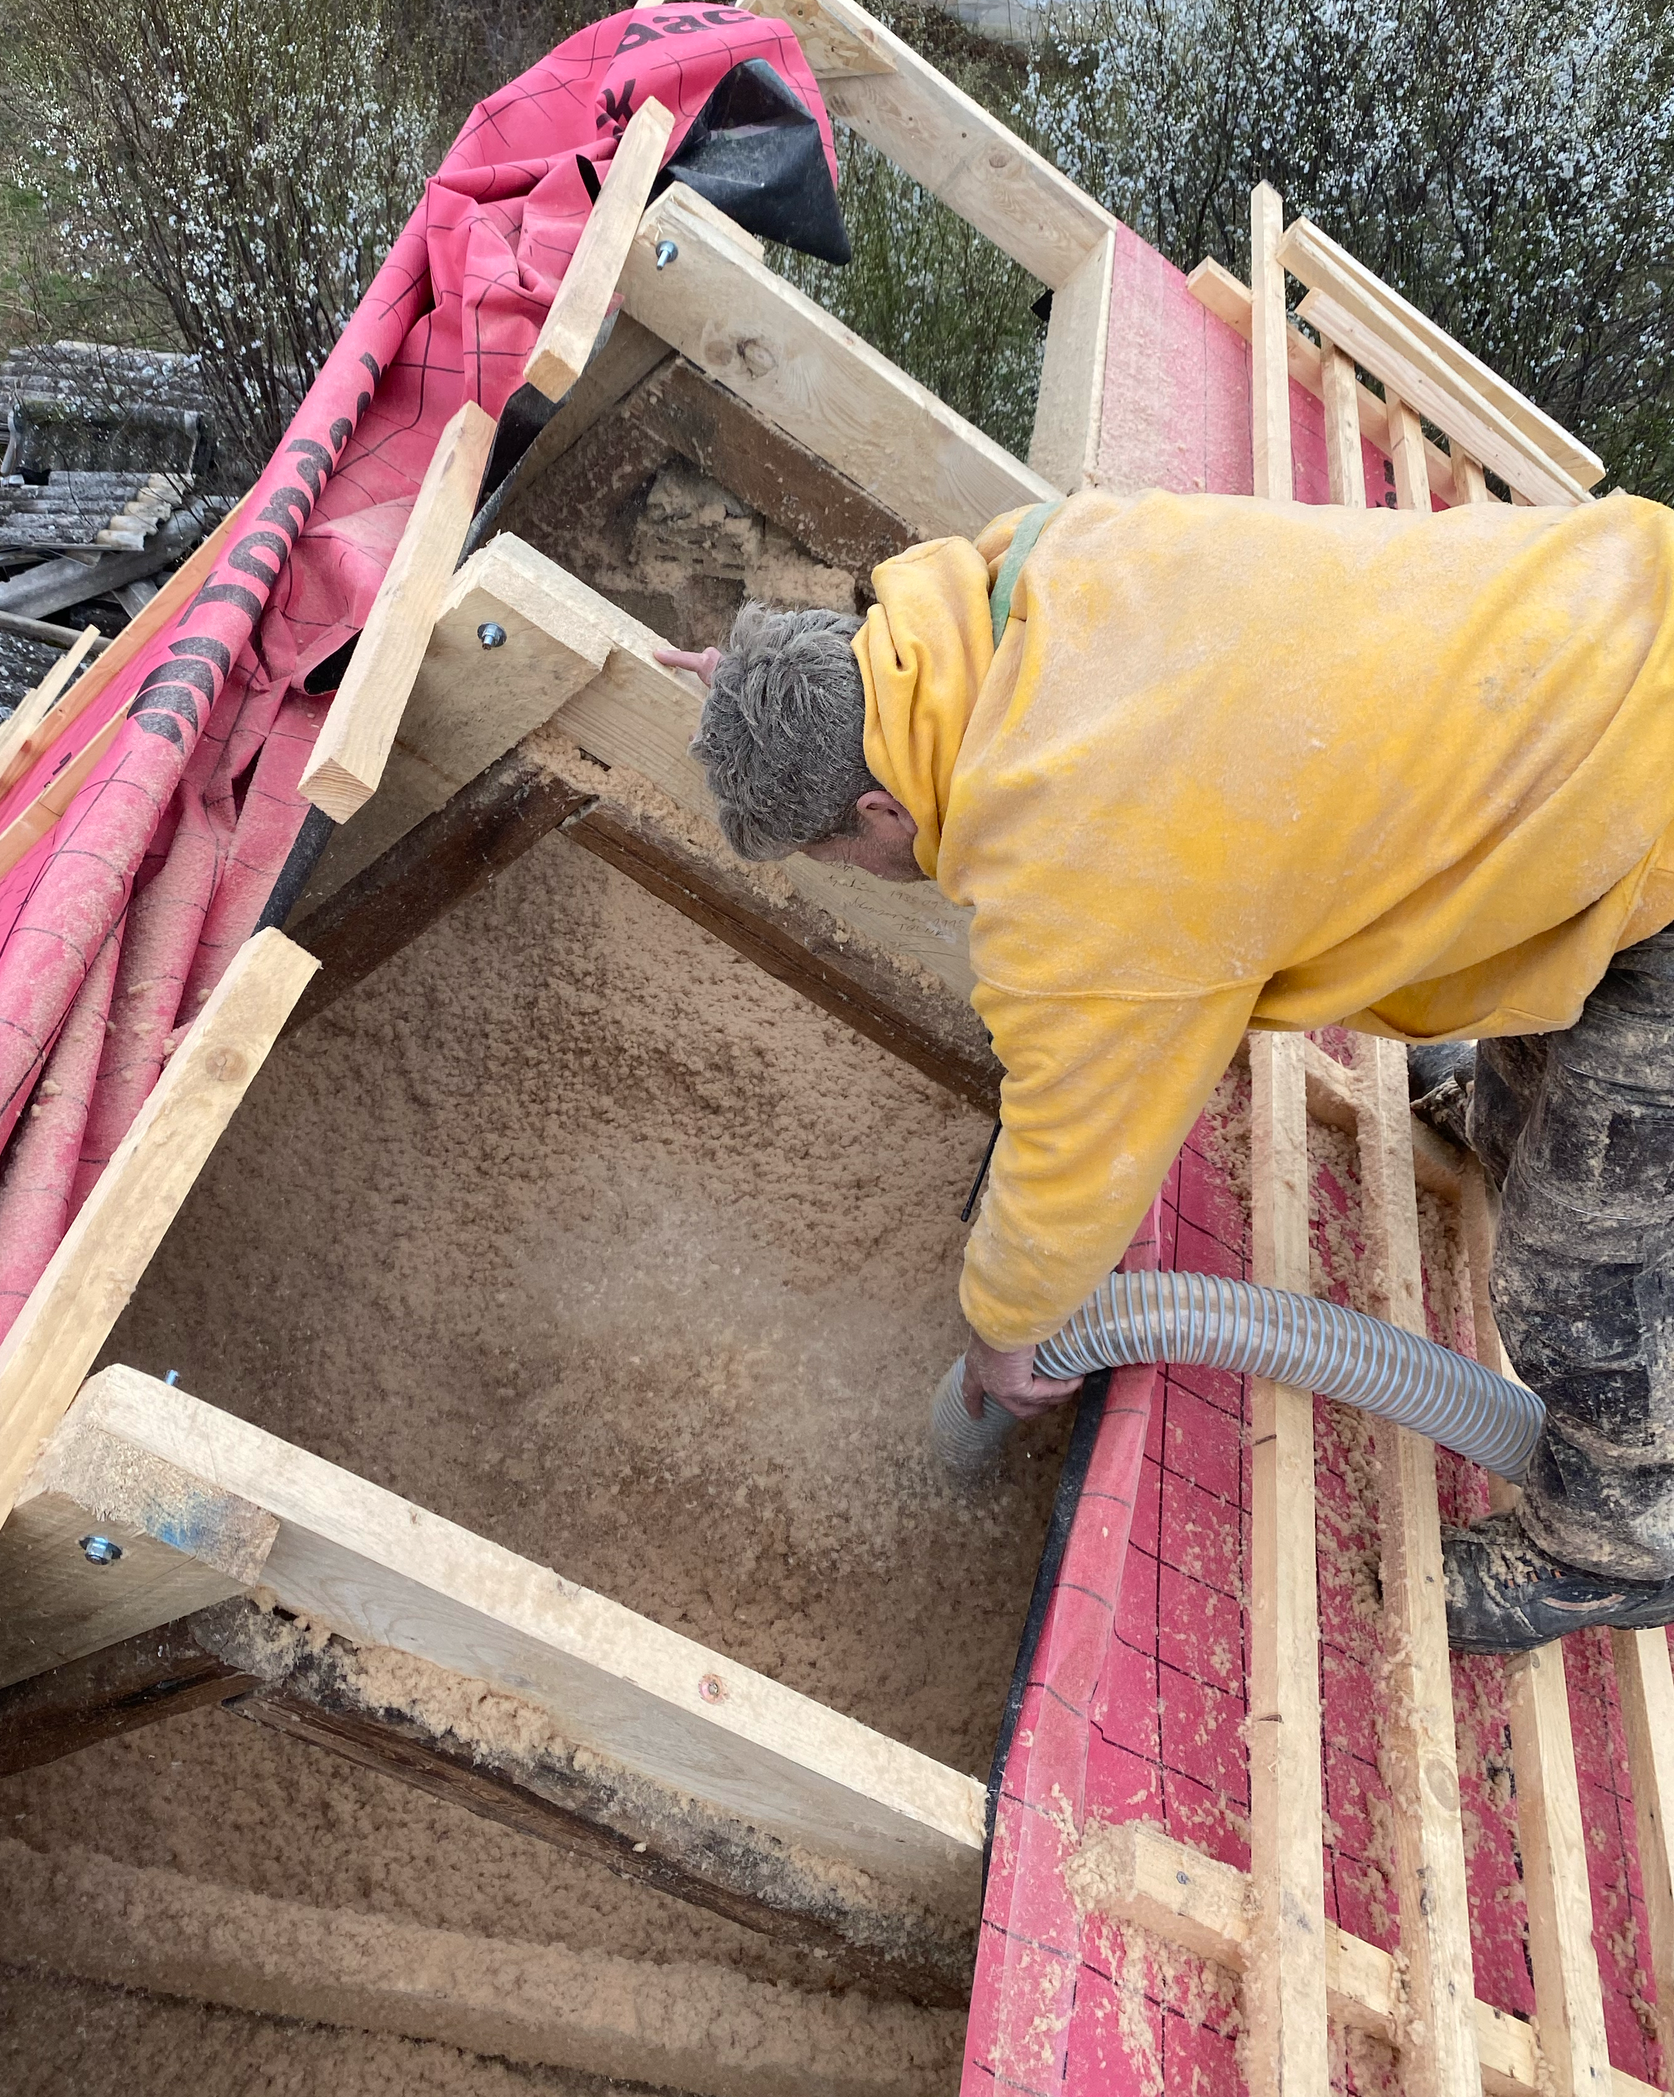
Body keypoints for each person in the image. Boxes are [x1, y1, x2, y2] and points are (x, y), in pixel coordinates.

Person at [656, 487, 1674, 1655]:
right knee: (1538, 1079)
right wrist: (746, 692)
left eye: (838, 851)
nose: (860, 868)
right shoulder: (1034, 562)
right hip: (1604, 625)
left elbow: (1075, 1142)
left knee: (1575, 1276)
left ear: (880, 808)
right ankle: (1517, 1131)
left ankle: (1619, 1547)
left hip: (1651, 808)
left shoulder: (1074, 856)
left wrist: (1002, 1328)